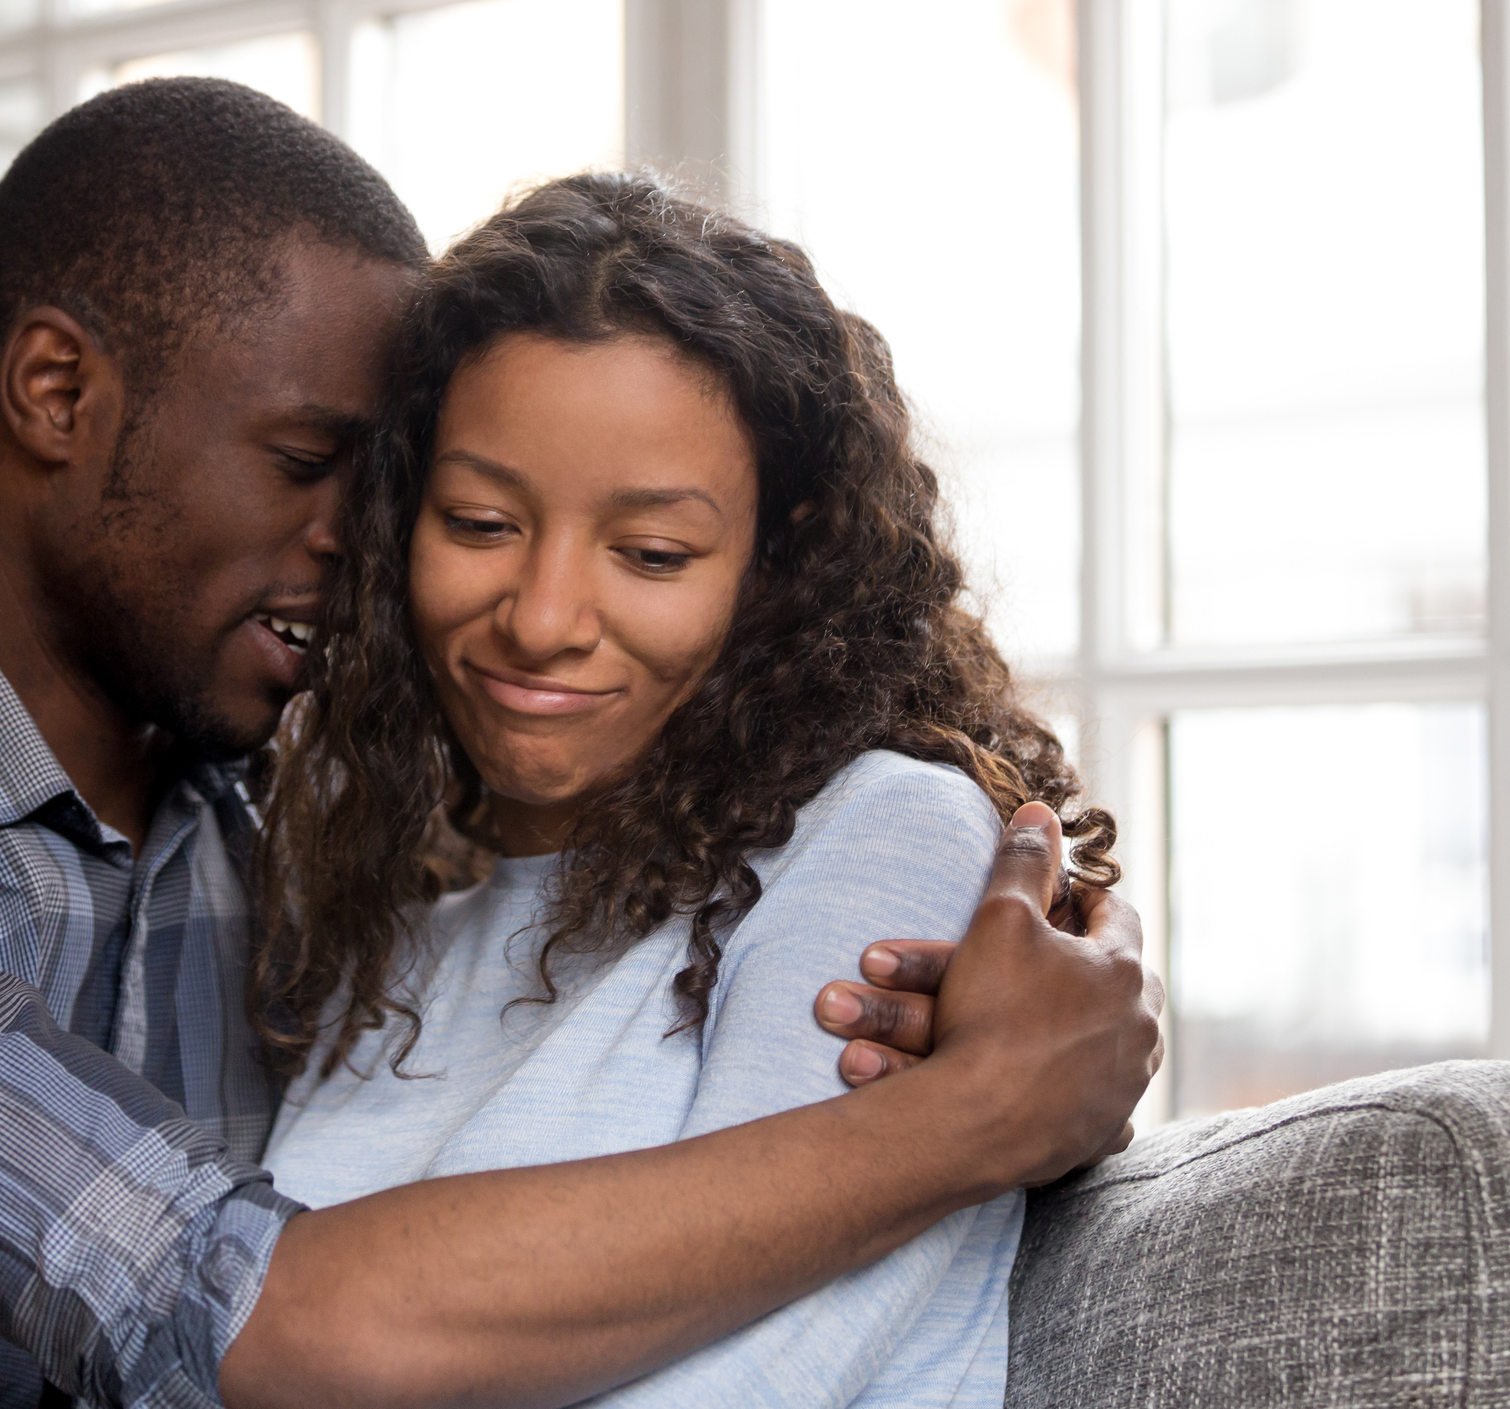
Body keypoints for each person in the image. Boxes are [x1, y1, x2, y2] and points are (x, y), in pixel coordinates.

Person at [0, 80, 1161, 1409]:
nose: (361, 543)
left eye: (387, 487)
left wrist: (1046, 984)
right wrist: (970, 1116)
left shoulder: (298, 815)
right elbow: (225, 1312)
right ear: (56, 392)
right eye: (315, 462)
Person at [255, 173, 1112, 1407]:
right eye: (481, 521)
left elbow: (759, 1380)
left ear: (783, 562)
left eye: (652, 554)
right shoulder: (379, 903)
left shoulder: (882, 835)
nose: (542, 620)